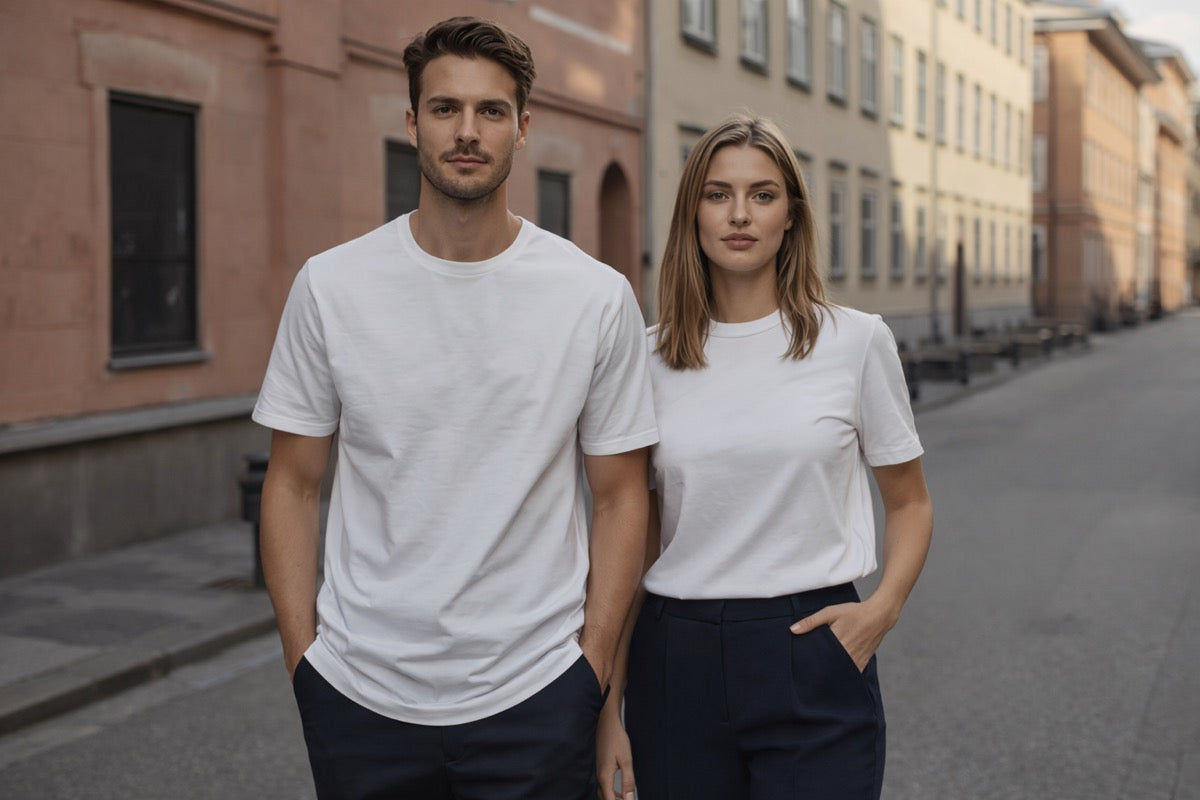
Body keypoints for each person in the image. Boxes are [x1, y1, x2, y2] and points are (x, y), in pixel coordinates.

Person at [252, 16, 657, 800]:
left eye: (490, 111)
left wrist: (592, 667)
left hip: (538, 695)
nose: (466, 131)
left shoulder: (592, 296)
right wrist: (307, 667)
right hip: (360, 697)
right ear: (412, 123)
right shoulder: (333, 287)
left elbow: (620, 495)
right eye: (444, 109)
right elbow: (293, 484)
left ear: (522, 127)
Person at [596, 115, 934, 800]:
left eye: (763, 194)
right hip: (676, 657)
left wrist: (883, 609)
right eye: (718, 194)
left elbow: (910, 502)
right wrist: (607, 711)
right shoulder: (649, 358)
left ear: (792, 215)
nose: (740, 214)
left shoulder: (856, 342)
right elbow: (632, 545)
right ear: (692, 212)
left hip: (812, 645)